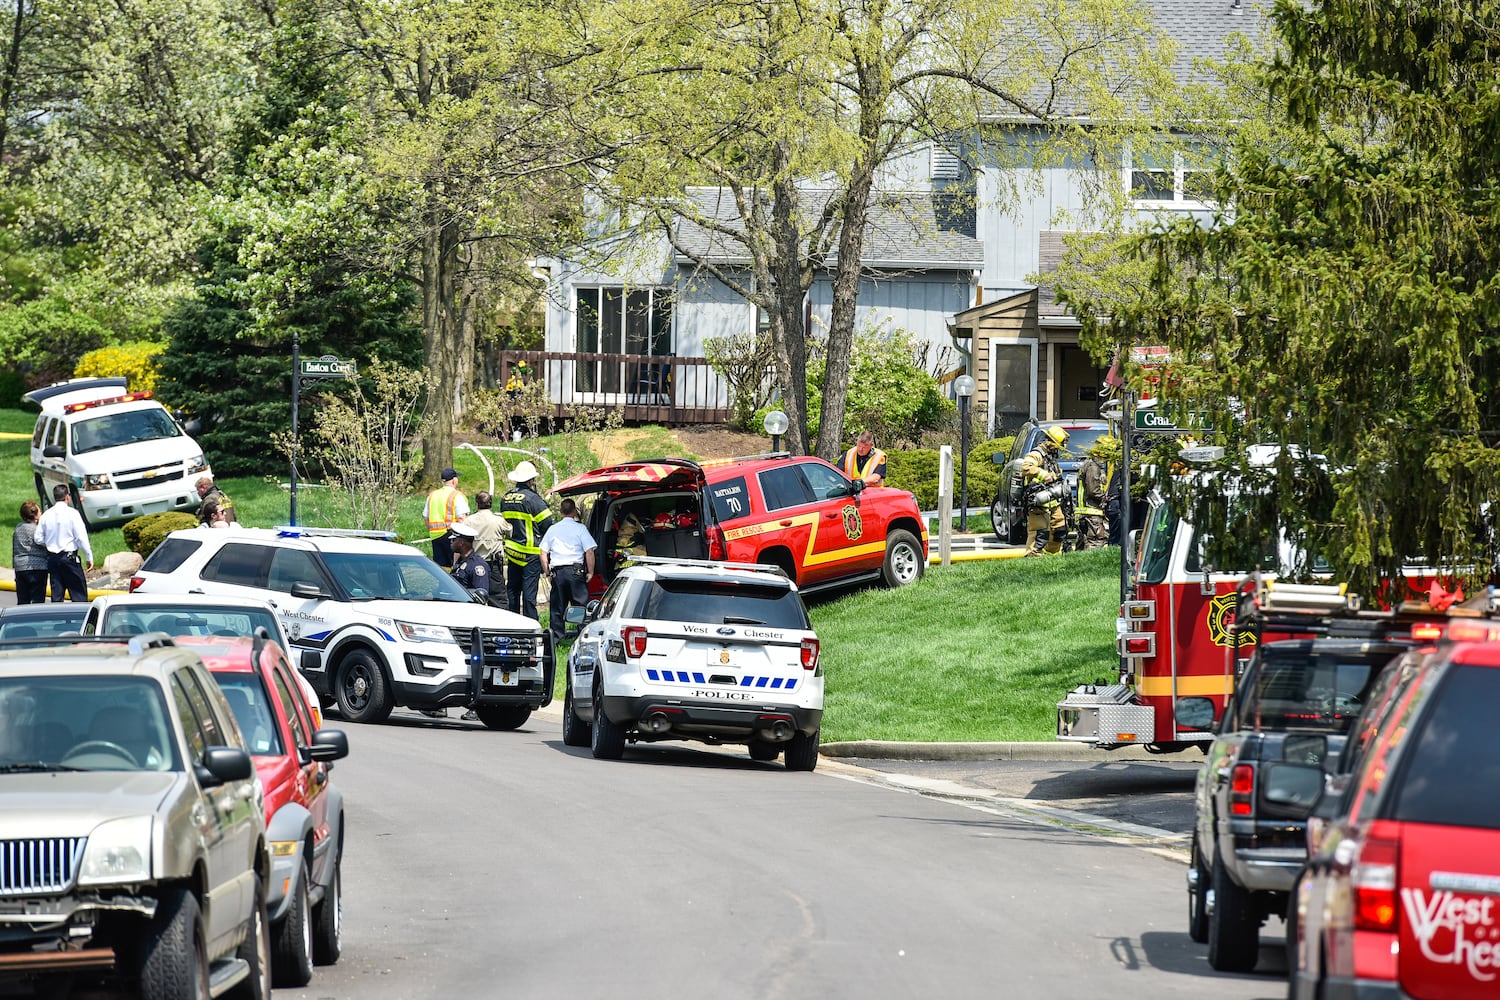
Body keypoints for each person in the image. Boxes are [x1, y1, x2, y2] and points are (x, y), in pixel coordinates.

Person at [539, 499, 597, 648]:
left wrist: (547, 572)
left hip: (558, 572)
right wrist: (590, 572)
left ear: (560, 511)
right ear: (574, 512)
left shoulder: (553, 529)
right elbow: (589, 551)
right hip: (576, 572)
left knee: (557, 607)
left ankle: (556, 639)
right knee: (579, 605)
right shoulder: (581, 528)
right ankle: (582, 637)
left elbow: (543, 552)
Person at [501, 460, 553, 620]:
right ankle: (530, 627)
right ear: (531, 480)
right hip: (530, 554)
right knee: (529, 596)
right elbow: (547, 524)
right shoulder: (533, 499)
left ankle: (512, 624)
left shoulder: (506, 497)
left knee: (512, 591)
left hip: (512, 553)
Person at [37, 485, 93, 602]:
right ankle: (79, 619)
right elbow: (81, 538)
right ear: (68, 497)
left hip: (53, 559)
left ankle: (60, 619)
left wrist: (49, 542)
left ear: (54, 497)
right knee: (79, 596)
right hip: (69, 559)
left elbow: (38, 538)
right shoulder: (73, 513)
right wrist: (88, 557)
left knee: (57, 597)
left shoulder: (46, 515)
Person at [1021, 425, 1069, 557]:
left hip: (1053, 501)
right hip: (1038, 501)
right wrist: (1043, 475)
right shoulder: (1037, 454)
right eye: (1058, 445)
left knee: (1059, 529)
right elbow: (1025, 467)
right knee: (1039, 532)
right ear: (1051, 442)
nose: (1059, 449)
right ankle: (1032, 557)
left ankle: (1051, 556)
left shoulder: (1050, 456)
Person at [1075, 436, 1118, 551]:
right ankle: (1090, 565)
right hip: (1091, 511)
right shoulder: (1093, 467)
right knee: (1095, 540)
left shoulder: (1091, 464)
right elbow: (1093, 490)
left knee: (1083, 541)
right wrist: (1105, 498)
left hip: (1087, 511)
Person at [423, 467, 469, 569]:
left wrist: (432, 529)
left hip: (435, 535)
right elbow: (461, 518)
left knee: (441, 569)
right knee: (455, 567)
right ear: (454, 480)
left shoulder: (432, 495)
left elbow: (425, 517)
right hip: (451, 535)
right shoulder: (457, 496)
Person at [12, 501, 49, 604]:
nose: (41, 513)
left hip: (20, 567)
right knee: (38, 599)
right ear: (35, 515)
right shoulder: (37, 530)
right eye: (40, 511)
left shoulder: (18, 528)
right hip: (38, 567)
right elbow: (46, 544)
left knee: (23, 599)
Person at [464, 490, 510, 566]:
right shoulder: (499, 520)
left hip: (475, 562)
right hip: (494, 563)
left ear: (477, 504)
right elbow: (509, 532)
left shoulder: (468, 521)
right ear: (491, 504)